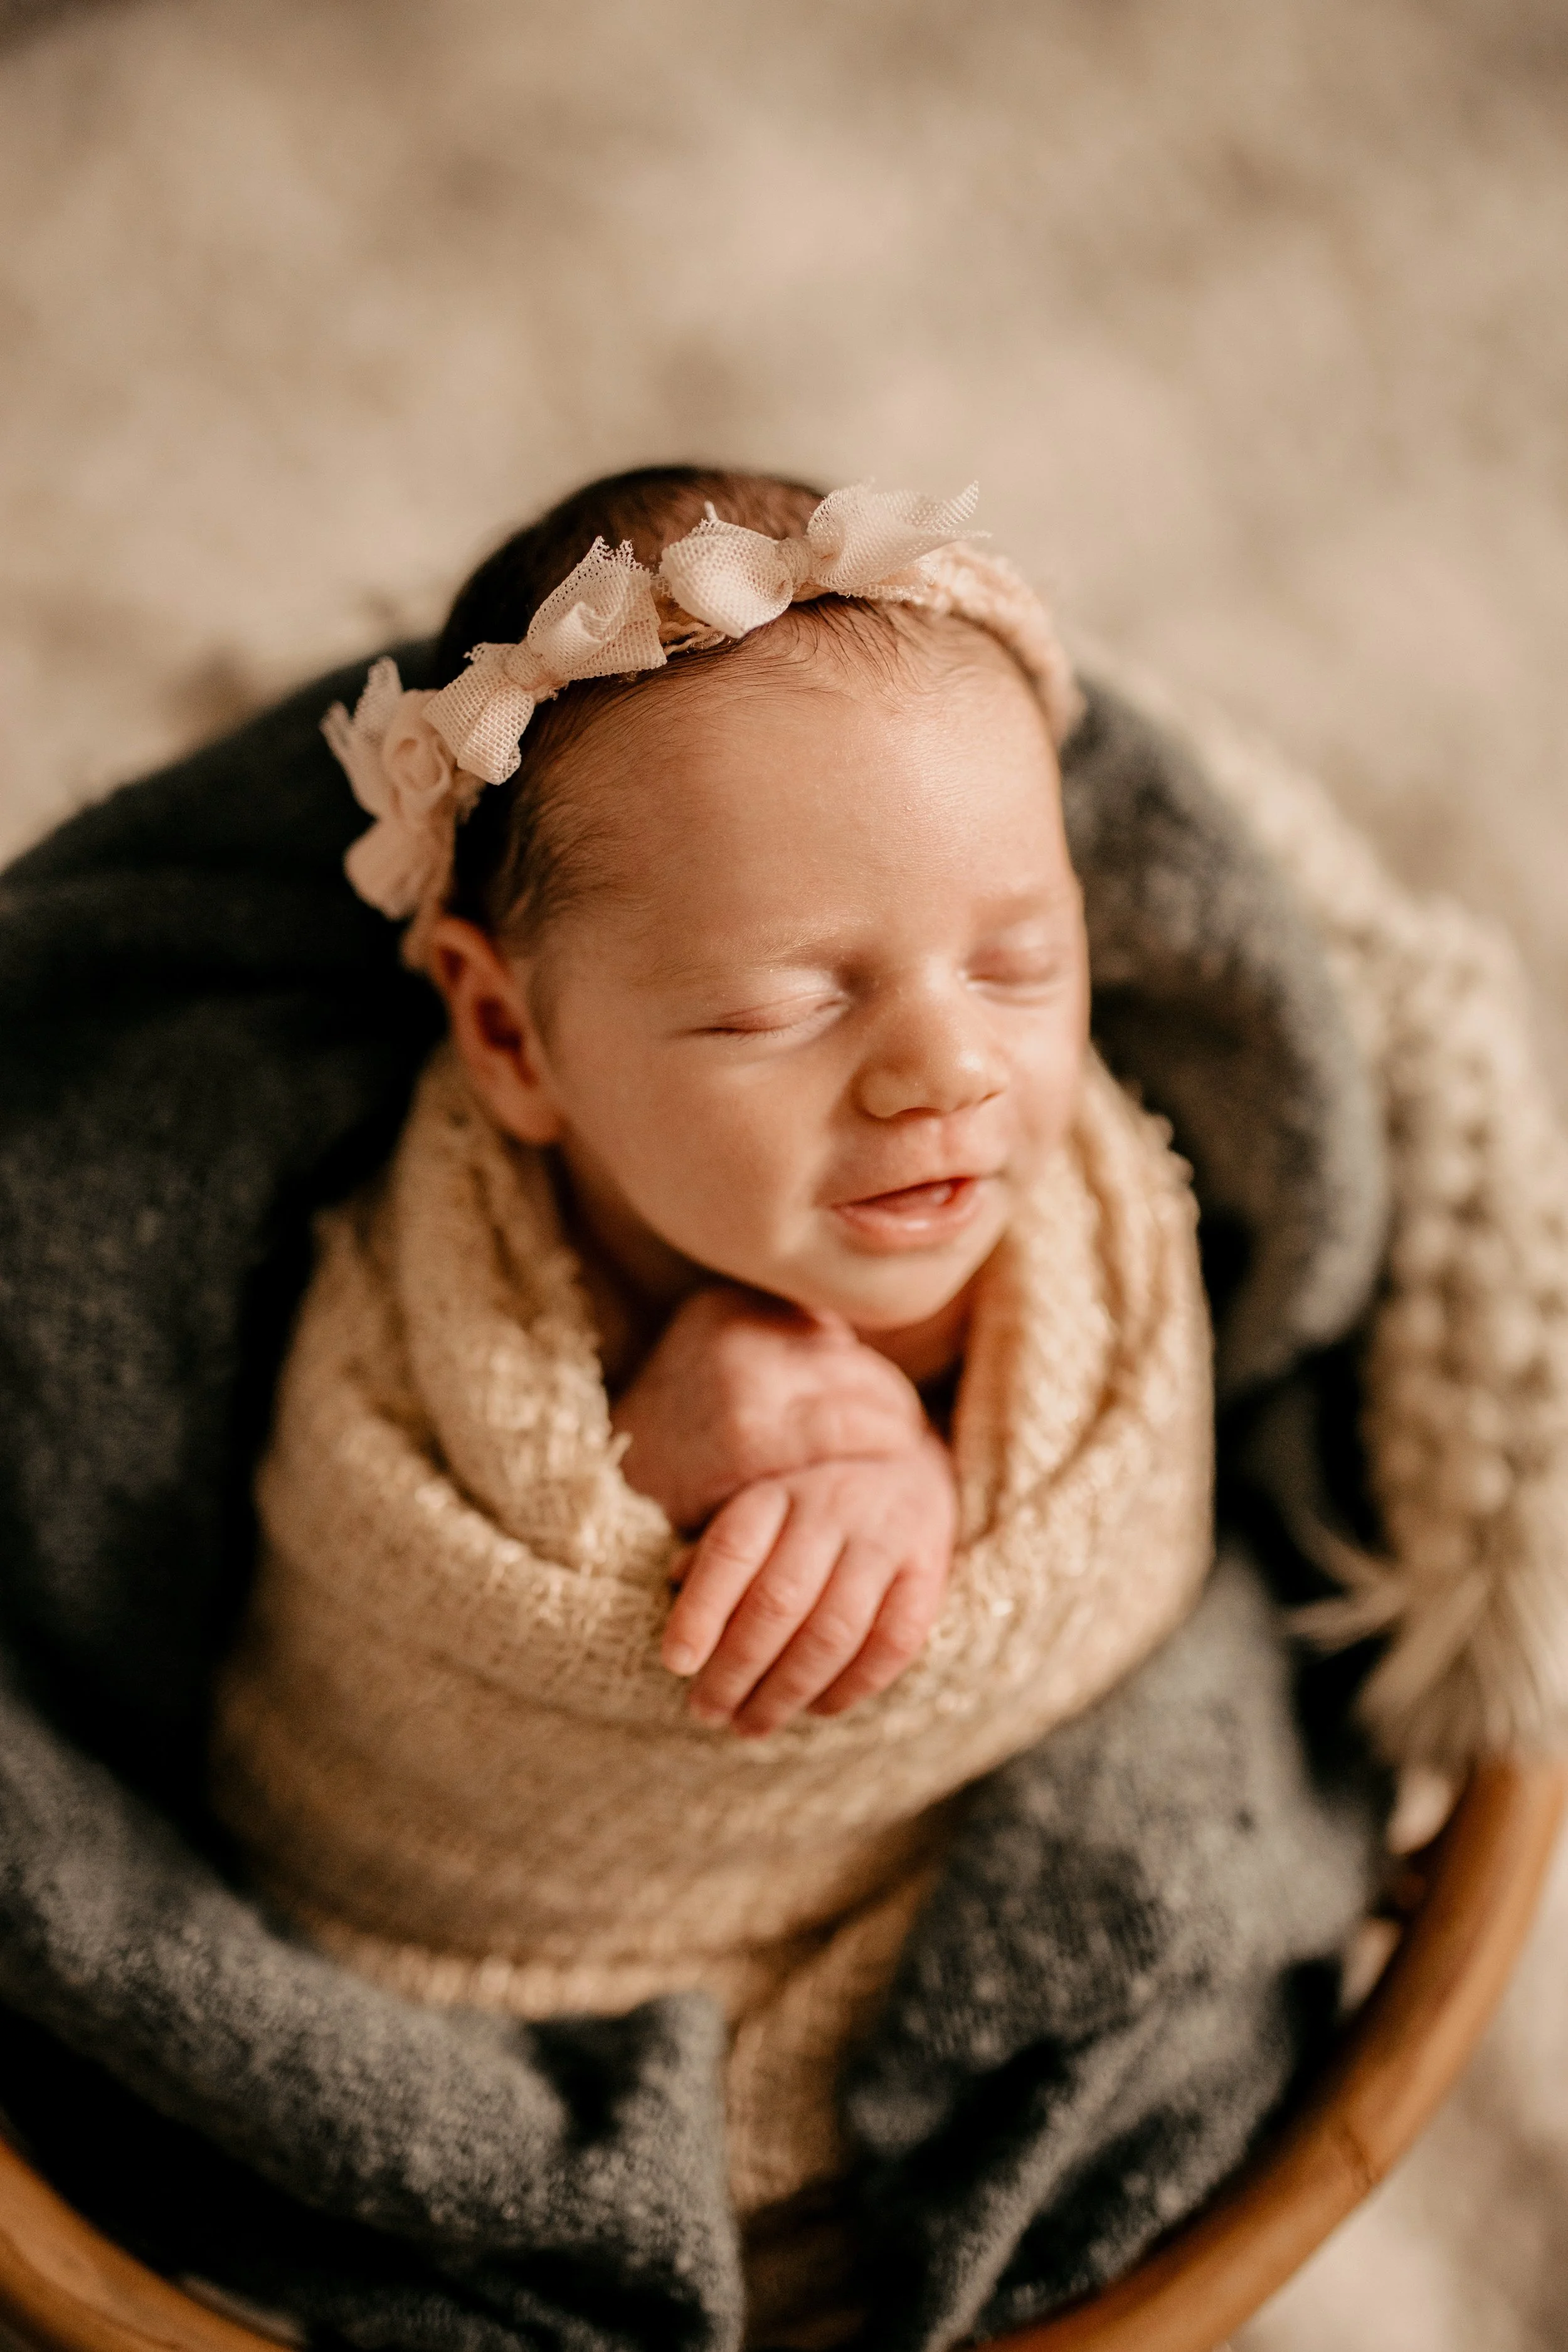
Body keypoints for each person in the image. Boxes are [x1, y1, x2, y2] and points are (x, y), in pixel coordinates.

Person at [207, 465, 1217, 2339]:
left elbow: (1141, 1549)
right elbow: (381, 1673)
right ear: (508, 1034)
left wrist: (915, 1458)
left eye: (1020, 959)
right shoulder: (436, 1294)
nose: (946, 1068)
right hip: (493, 1939)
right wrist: (671, 1456)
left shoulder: (1093, 1239)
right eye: (780, 1004)